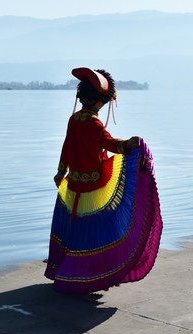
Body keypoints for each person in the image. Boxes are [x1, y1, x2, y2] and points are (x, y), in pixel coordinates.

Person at [44, 67, 162, 294]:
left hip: (74, 184)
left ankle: (67, 271)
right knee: (94, 231)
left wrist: (61, 172)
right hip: (94, 186)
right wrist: (129, 144)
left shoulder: (74, 120)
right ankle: (87, 276)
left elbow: (66, 148)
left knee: (74, 228)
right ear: (100, 102)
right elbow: (109, 144)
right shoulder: (95, 124)